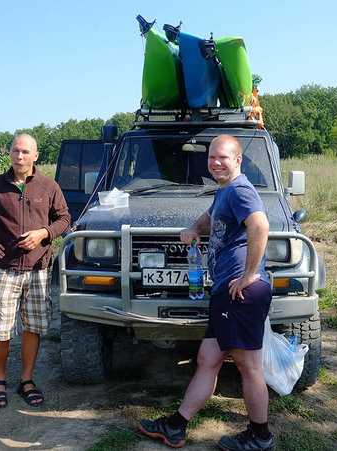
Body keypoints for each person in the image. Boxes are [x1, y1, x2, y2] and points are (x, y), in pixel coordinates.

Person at [138, 135, 275, 450]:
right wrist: (192, 229)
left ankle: (260, 435)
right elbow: (210, 217)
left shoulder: (240, 190)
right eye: (211, 157)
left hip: (240, 291)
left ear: (238, 160)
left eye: (223, 158)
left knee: (248, 365)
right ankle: (175, 426)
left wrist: (249, 274)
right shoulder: (224, 191)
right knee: (208, 358)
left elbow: (260, 225)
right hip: (227, 291)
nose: (215, 162)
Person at [0, 134, 70, 409]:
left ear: (36, 156)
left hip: (38, 269)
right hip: (6, 269)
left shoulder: (48, 186)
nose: (19, 156)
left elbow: (65, 219)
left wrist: (44, 233)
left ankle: (26, 380)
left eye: (25, 152)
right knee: (1, 328)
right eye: (15, 151)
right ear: (10, 154)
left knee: (32, 327)